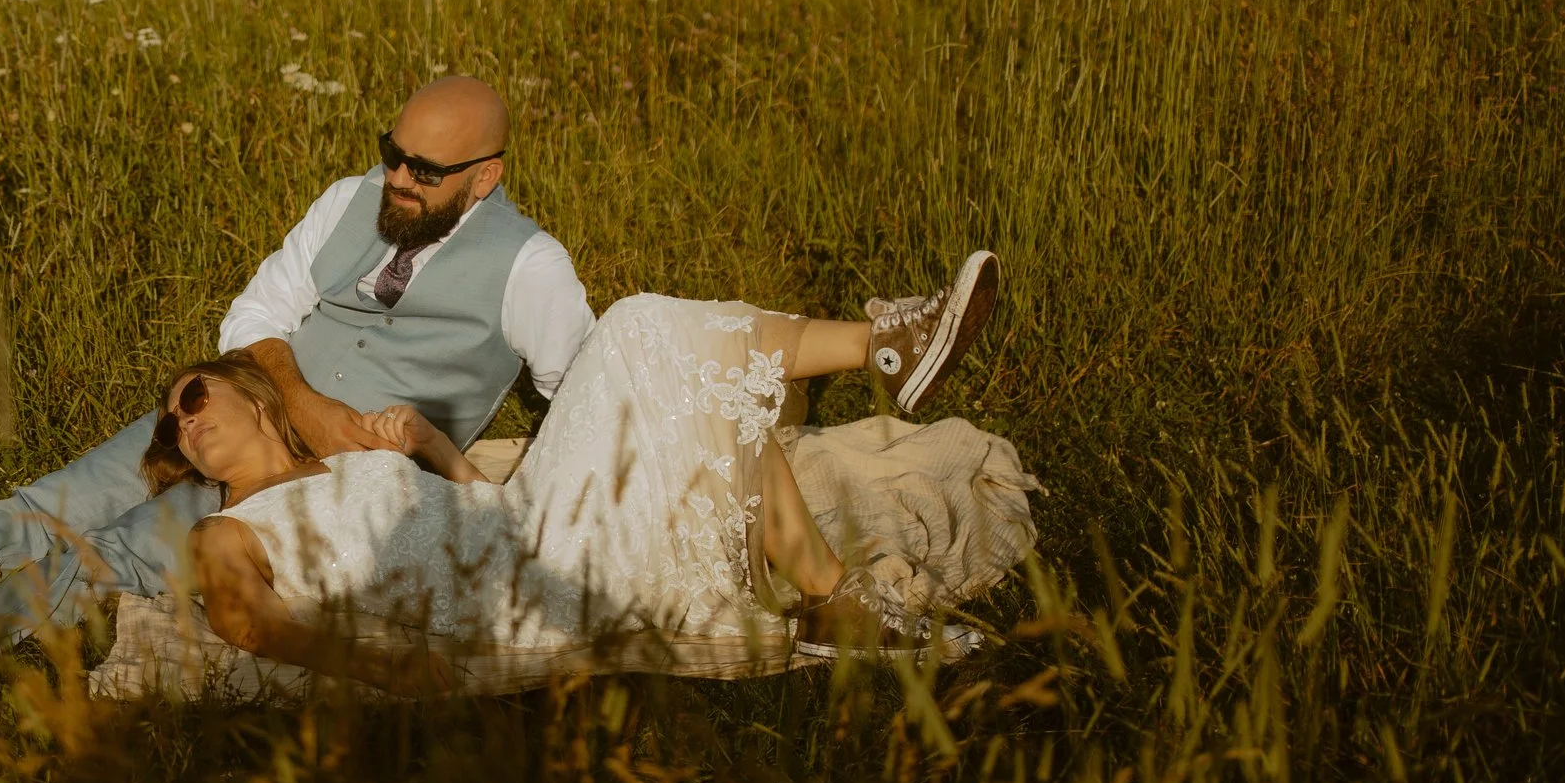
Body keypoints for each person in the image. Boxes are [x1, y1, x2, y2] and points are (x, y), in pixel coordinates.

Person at [0, 75, 596, 626]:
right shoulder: (348, 198)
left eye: (422, 171)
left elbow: (586, 395)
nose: (395, 177)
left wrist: (476, 485)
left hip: (316, 483)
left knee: (111, 553)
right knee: (47, 506)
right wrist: (298, 399)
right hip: (230, 400)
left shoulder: (529, 266)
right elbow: (257, 310)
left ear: (485, 176)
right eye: (391, 151)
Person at [173, 255, 1006, 695]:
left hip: (522, 528)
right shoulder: (227, 526)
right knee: (648, 341)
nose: (186, 420)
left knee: (650, 339)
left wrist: (427, 441)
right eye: (175, 425)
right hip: (519, 594)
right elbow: (247, 621)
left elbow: (476, 508)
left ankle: (890, 350)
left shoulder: (347, 463)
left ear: (252, 399)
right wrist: (387, 666)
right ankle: (883, 347)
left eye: (193, 396)